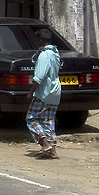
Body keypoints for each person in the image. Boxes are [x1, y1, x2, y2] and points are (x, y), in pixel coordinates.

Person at [27, 28, 62, 159]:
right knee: (48, 121)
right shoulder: (55, 53)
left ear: (40, 40)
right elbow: (35, 60)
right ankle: (53, 151)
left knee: (31, 118)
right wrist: (38, 52)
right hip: (55, 92)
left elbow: (38, 78)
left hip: (44, 92)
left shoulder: (45, 55)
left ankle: (45, 143)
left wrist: (31, 93)